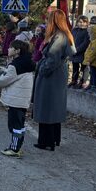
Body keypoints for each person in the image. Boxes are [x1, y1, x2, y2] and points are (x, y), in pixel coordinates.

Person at [32, 9, 75, 151]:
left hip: (51, 75)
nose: (46, 22)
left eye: (48, 19)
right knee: (53, 106)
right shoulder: (62, 35)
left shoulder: (59, 37)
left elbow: (53, 58)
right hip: (57, 74)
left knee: (47, 106)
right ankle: (53, 139)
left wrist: (42, 70)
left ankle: (47, 141)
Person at [0, 40, 35, 158]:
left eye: (11, 48)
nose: (8, 49)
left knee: (14, 125)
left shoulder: (16, 65)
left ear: (17, 51)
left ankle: (14, 149)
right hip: (22, 98)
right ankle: (17, 146)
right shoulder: (27, 62)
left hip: (16, 99)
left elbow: (4, 81)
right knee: (19, 123)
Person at [69, 16, 90, 88]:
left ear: (87, 23)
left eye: (84, 22)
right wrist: (71, 48)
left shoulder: (87, 31)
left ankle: (82, 81)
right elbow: (71, 39)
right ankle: (74, 80)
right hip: (74, 52)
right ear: (77, 22)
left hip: (83, 53)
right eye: (80, 22)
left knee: (84, 68)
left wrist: (76, 50)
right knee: (75, 67)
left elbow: (85, 43)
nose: (82, 24)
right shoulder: (74, 30)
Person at [83, 24, 96, 93]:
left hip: (94, 61)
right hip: (93, 61)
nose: (90, 35)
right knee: (92, 73)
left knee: (94, 74)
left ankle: (94, 87)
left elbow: (93, 52)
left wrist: (89, 60)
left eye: (91, 33)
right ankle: (91, 85)